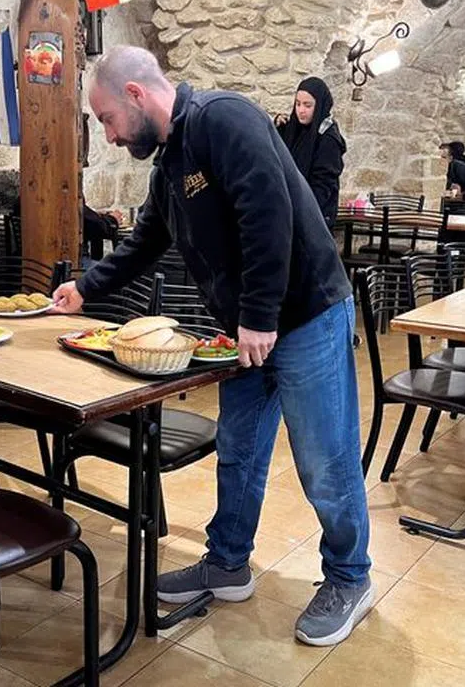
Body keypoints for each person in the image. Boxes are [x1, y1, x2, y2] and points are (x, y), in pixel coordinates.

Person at [51, 45, 373, 646]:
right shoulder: (170, 161)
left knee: (324, 461)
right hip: (251, 331)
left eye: (106, 120)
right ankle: (227, 562)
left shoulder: (224, 118)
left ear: (136, 96)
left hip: (305, 316)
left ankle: (350, 577)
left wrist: (257, 316)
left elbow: (268, 214)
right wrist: (86, 287)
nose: (110, 136)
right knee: (239, 449)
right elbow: (148, 237)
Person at [274, 77, 347, 227]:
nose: (301, 110)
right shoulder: (295, 130)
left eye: (308, 105)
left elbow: (323, 184)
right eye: (298, 104)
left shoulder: (328, 138)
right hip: (290, 212)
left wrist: (305, 216)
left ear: (319, 105)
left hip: (314, 216)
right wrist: (278, 129)